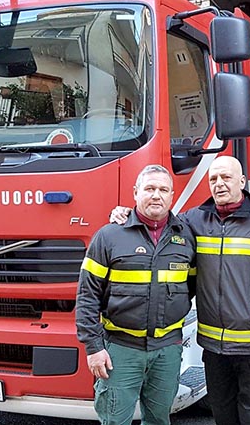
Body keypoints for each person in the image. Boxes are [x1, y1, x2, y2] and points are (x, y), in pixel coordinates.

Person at [111, 155, 250, 424]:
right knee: (223, 414)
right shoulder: (193, 221)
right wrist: (124, 213)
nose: (219, 184)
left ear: (242, 181)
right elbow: (156, 222)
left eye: (226, 177)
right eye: (213, 178)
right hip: (214, 348)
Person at [76, 164, 196, 425]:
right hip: (120, 350)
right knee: (115, 420)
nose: (156, 195)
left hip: (167, 351)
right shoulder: (109, 236)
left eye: (163, 189)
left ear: (172, 195)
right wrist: (94, 347)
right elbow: (87, 296)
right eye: (149, 188)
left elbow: (192, 286)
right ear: (135, 192)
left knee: (159, 420)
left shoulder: (185, 237)